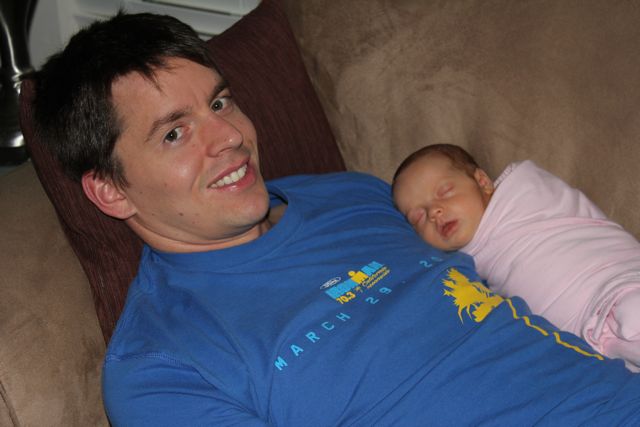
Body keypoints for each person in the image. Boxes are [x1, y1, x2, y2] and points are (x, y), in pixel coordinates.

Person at [32, 13, 640, 426]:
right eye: (175, 133)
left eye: (220, 102)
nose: (230, 137)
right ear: (110, 191)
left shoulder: (357, 195)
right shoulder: (163, 369)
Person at [392, 143, 640, 372]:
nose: (433, 212)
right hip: (595, 344)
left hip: (615, 287)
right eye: (418, 217)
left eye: (445, 191)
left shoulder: (524, 194)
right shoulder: (464, 268)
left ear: (482, 181)